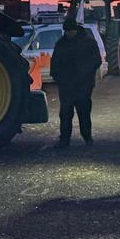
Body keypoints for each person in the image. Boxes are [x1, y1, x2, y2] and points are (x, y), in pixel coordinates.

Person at [50, 18, 103, 148]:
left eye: (70, 31)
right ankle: (64, 140)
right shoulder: (61, 44)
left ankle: (87, 138)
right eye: (66, 31)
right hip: (67, 86)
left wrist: (85, 74)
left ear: (75, 30)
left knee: (83, 113)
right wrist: (58, 77)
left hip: (83, 86)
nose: (68, 34)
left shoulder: (88, 43)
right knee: (65, 114)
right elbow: (55, 62)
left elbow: (96, 60)